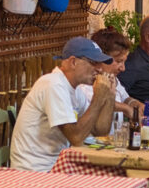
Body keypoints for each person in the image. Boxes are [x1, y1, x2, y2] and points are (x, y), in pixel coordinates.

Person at [10, 37, 116, 172]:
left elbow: (100, 131)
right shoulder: (53, 84)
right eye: (94, 63)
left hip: (56, 166)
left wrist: (109, 97)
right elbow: (76, 138)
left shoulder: (74, 89)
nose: (100, 69)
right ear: (73, 62)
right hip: (34, 172)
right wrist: (98, 98)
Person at [78, 27, 144, 130]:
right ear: (100, 58)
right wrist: (126, 109)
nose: (123, 68)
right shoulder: (84, 83)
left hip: (112, 143)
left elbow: (125, 97)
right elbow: (97, 102)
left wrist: (135, 104)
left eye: (124, 62)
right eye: (118, 61)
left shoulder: (112, 78)